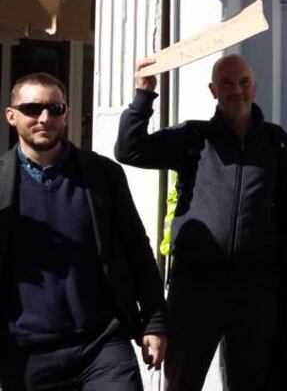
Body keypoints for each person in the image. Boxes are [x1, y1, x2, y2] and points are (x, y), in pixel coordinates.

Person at [115, 54, 287, 391]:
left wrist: (286, 285)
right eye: (227, 83)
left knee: (253, 384)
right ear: (213, 90)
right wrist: (144, 94)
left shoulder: (277, 141)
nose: (236, 90)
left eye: (243, 82)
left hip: (256, 290)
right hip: (196, 290)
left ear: (254, 87)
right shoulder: (193, 137)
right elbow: (130, 150)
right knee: (182, 381)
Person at [0, 73, 167, 390]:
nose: (44, 118)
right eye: (32, 109)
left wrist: (155, 321)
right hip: (26, 354)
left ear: (67, 114)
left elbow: (136, 249)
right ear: (11, 115)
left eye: (55, 108)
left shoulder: (101, 174)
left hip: (102, 345)